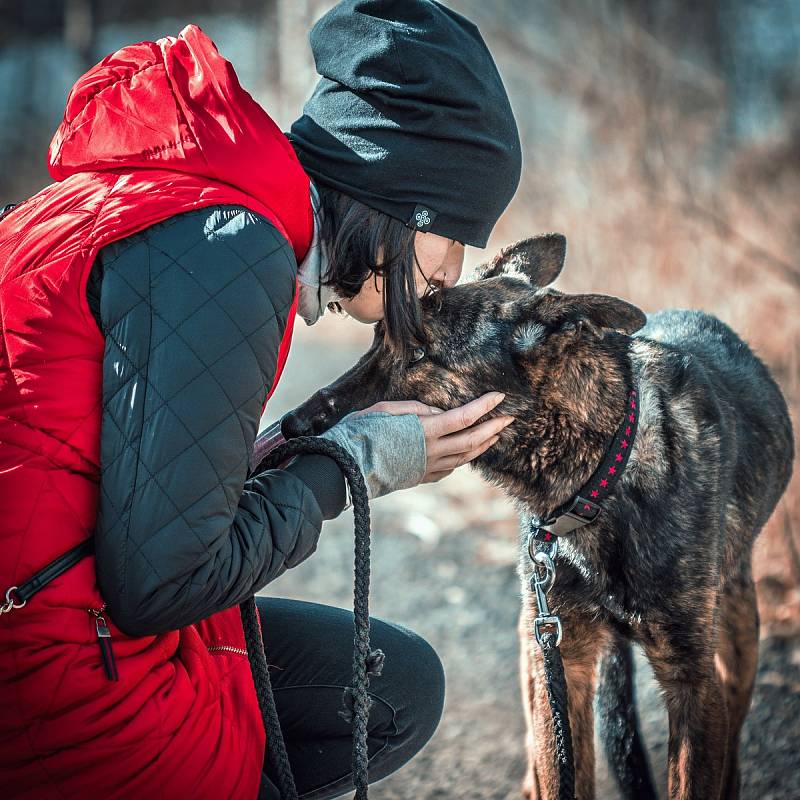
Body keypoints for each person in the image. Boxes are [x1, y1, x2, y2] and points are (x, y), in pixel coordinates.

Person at [0, 2, 521, 798]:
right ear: (401, 204)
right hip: (53, 666)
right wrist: (357, 463)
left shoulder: (181, 202)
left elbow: (120, 469)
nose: (449, 271)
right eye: (453, 232)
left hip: (55, 610)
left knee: (398, 684)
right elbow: (161, 588)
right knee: (310, 732)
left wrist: (286, 449)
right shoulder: (232, 251)